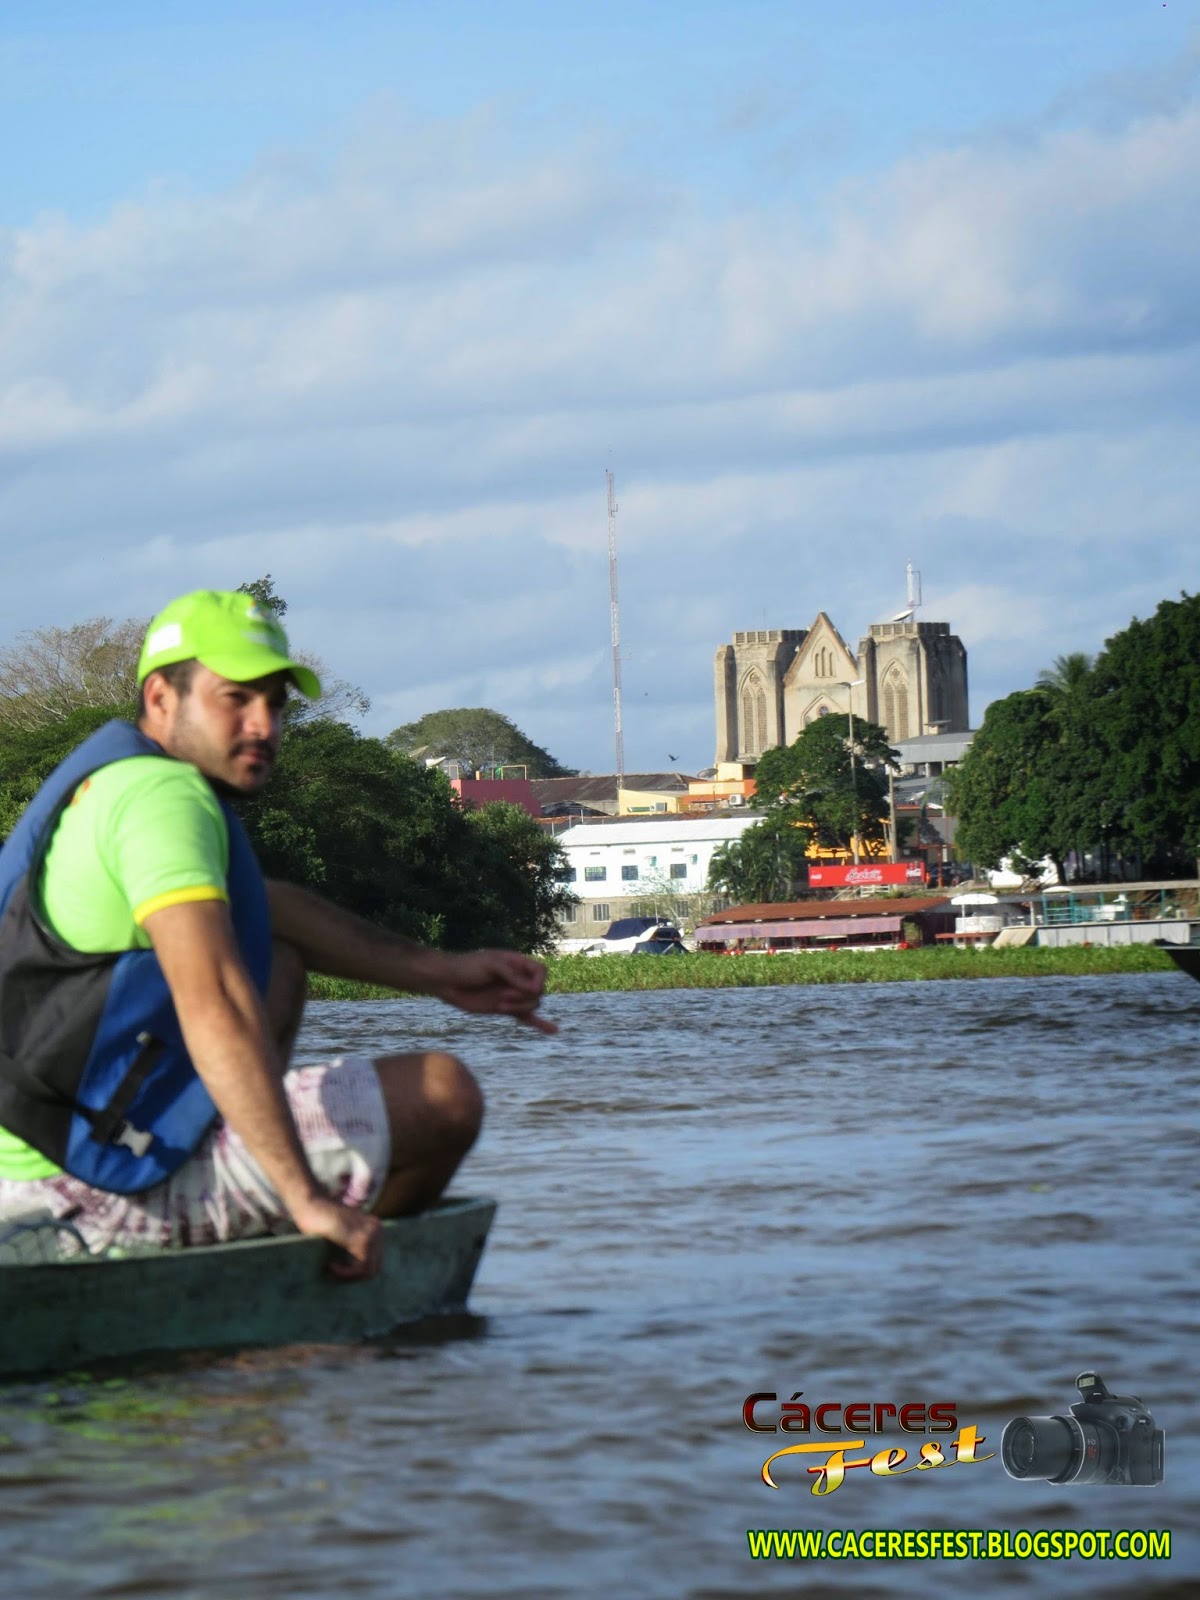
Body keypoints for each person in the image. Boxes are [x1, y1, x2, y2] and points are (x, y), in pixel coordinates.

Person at [0, 590, 555, 1278]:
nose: (263, 724)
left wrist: (442, 973)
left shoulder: (103, 780)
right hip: (87, 1187)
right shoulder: (162, 799)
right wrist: (302, 1195)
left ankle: (265, 1207)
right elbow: (216, 1003)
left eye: (275, 703)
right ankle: (316, 1283)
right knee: (443, 1096)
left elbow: (270, 910)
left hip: (36, 1151)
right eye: (236, 698)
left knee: (278, 954)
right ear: (161, 698)